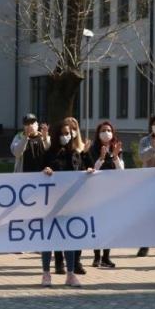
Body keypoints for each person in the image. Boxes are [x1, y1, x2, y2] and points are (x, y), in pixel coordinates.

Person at [40, 120, 95, 287]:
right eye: (62, 134)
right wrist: (46, 170)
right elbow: (41, 169)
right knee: (48, 239)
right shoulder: (50, 153)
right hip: (52, 203)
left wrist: (88, 164)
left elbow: (86, 168)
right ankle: (46, 273)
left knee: (70, 239)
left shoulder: (75, 153)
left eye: (68, 133)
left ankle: (70, 274)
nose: (65, 136)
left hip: (71, 203)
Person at [89, 121, 123, 269]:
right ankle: (96, 256)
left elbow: (121, 171)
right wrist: (101, 158)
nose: (106, 133)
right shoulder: (93, 149)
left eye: (108, 130)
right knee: (97, 224)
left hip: (112, 192)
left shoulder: (116, 148)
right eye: (103, 130)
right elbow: (91, 169)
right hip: (96, 192)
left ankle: (106, 257)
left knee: (109, 225)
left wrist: (115, 156)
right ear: (98, 133)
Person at [135, 115, 155, 257]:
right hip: (148, 180)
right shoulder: (145, 140)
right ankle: (144, 244)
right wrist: (153, 149)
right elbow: (142, 157)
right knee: (146, 214)